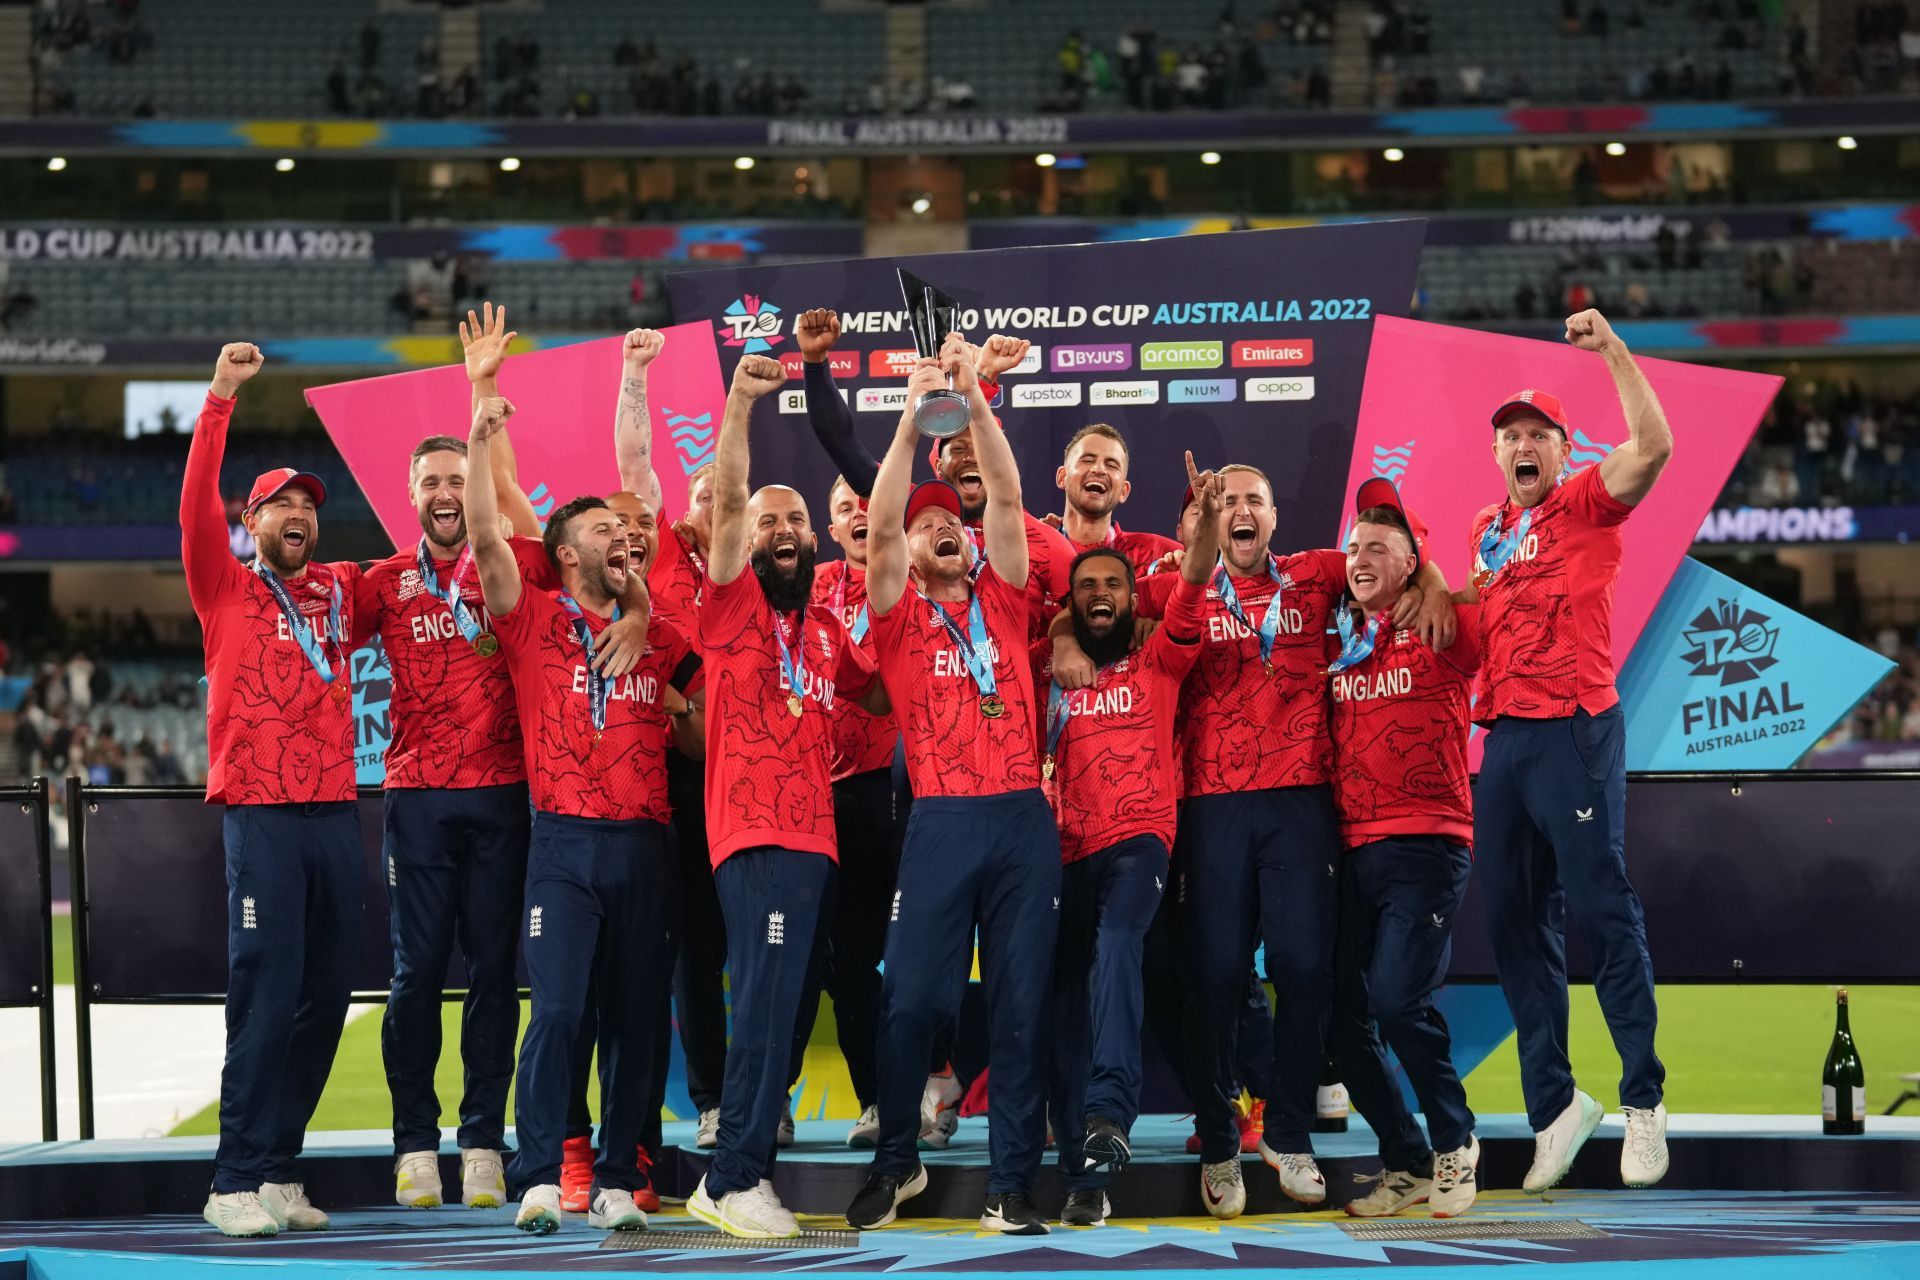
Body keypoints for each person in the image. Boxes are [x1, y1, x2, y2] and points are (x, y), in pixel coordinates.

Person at [1052, 463, 1453, 1218]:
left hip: (1302, 801)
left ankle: (1290, 1132)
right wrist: (1062, 637)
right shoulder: (1175, 585)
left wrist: (1430, 584)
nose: (1240, 510)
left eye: (1253, 502)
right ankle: (1219, 1145)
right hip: (1209, 807)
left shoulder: (1316, 573)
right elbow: (1083, 607)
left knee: (1306, 972)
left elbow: (1395, 559)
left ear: (1274, 517)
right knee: (1216, 980)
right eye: (1227, 501)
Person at [354, 303, 652, 1213]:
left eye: (456, 476)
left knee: (495, 976)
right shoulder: (380, 583)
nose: (448, 491)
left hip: (509, 797)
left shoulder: (521, 564)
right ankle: (415, 1142)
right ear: (410, 495)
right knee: (413, 978)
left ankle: (482, 1141)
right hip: (414, 797)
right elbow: (316, 649)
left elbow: (537, 528)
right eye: (432, 480)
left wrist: (637, 609)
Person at [463, 394, 701, 1236]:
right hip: (561, 844)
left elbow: (710, 734)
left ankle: (613, 1176)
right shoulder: (529, 619)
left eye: (624, 531)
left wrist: (669, 679)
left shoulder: (663, 630)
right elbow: (490, 540)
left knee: (639, 1021)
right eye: (604, 531)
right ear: (565, 554)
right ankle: (536, 1174)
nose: (623, 539)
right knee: (559, 1012)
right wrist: (479, 428)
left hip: (646, 841)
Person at [845, 337, 1061, 1237]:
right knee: (913, 1002)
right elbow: (885, 519)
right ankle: (900, 1162)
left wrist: (972, 397)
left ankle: (1011, 1182)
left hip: (1020, 819)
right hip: (938, 821)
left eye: (951, 520)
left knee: (1017, 1005)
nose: (943, 526)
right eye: (927, 519)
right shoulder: (894, 615)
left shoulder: (1007, 596)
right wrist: (911, 415)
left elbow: (1006, 495)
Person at [1458, 308, 1673, 1195]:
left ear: (1561, 446)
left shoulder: (1587, 499)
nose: (1521, 444)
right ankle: (1554, 1108)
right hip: (1504, 740)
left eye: (1537, 432)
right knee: (1513, 923)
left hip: (1577, 727)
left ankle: (1644, 1103)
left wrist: (1615, 350)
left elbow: (1653, 447)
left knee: (1601, 905)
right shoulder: (1487, 532)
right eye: (1509, 434)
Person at [685, 355, 886, 1239]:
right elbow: (727, 501)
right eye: (770, 522)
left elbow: (880, 694)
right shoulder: (729, 608)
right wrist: (739, 404)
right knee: (763, 1006)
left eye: (796, 521)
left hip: (817, 841)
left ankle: (738, 1174)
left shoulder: (827, 626)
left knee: (785, 1011)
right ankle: (732, 1178)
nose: (783, 531)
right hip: (757, 834)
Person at [184, 343, 363, 1239]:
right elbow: (193, 507)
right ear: (252, 522)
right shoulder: (221, 585)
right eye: (280, 503)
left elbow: (432, 574)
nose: (297, 514)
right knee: (266, 986)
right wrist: (220, 399)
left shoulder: (337, 590)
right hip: (260, 811)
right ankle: (232, 1176)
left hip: (337, 811)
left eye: (307, 505)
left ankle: (280, 1169)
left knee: (327, 991)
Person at [1041, 452, 1223, 1228]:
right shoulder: (1047, 665)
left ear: (1131, 595)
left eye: (1114, 583)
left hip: (1140, 841)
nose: (1101, 595)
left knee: (1119, 945)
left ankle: (1111, 1115)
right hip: (1059, 849)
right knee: (1058, 1005)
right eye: (1085, 588)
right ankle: (1085, 1173)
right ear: (1070, 605)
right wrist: (1053, 639)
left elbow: (1192, 584)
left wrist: (1209, 526)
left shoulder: (1159, 655)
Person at [1323, 480, 1482, 1220]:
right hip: (1351, 849)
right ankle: (1407, 1159)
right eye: (1353, 546)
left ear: (1414, 562)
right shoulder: (1335, 636)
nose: (1358, 556)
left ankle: (1456, 1141)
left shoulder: (1445, 623)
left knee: (1395, 1000)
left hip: (1427, 842)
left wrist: (1440, 587)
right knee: (1336, 1014)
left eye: (1378, 547)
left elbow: (1476, 622)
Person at [802, 473, 900, 1148]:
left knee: (862, 959)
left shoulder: (910, 580)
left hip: (884, 789)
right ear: (830, 530)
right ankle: (766, 1102)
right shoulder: (806, 590)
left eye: (868, 504)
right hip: (800, 791)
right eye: (844, 509)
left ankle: (879, 1099)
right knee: (795, 959)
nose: (859, 514)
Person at [1052, 424, 1180, 575]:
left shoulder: (1162, 556)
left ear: (1123, 491)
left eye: (1111, 465)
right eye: (1087, 460)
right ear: (1062, 477)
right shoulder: (1031, 551)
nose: (1099, 469)